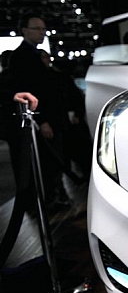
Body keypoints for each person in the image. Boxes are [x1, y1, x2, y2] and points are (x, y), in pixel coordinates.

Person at [8, 13, 70, 204]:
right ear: (25, 31)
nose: (42, 32)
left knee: (53, 161)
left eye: (43, 29)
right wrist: (42, 121)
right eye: (37, 28)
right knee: (47, 162)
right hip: (43, 120)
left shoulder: (33, 54)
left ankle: (53, 198)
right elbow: (28, 91)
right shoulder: (21, 57)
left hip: (50, 118)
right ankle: (49, 200)